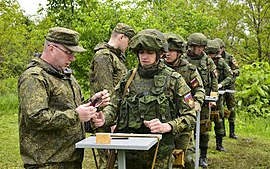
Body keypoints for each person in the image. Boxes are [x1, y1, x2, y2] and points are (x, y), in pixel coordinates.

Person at [92, 29, 196, 169]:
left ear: (159, 54)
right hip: (129, 153)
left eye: (149, 52)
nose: (144, 57)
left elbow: (190, 116)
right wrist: (104, 118)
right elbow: (114, 106)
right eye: (141, 52)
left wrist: (168, 126)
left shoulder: (173, 80)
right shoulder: (128, 78)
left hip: (159, 155)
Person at [18, 27, 110, 169]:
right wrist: (76, 115)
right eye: (68, 52)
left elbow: (71, 112)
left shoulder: (67, 76)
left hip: (71, 159)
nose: (72, 58)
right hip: (46, 163)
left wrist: (92, 107)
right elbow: (35, 118)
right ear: (51, 48)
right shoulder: (35, 77)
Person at [89, 23, 135, 168]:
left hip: (116, 117)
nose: (128, 46)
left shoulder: (116, 57)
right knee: (109, 163)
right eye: (129, 41)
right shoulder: (103, 56)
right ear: (122, 37)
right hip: (106, 120)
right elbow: (105, 92)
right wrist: (111, 121)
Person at [163, 33, 205, 169]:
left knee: (186, 159)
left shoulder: (189, 69)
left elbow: (199, 89)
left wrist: (197, 102)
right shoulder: (158, 69)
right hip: (163, 119)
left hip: (183, 118)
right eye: (165, 51)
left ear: (179, 53)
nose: (167, 54)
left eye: (171, 51)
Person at [185, 33, 218, 168]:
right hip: (187, 99)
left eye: (202, 47)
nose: (201, 50)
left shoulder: (208, 61)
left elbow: (214, 79)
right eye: (198, 47)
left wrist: (213, 97)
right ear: (191, 46)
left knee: (203, 130)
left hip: (204, 100)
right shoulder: (183, 59)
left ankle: (203, 156)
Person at [205, 39, 233, 152]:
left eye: (212, 54)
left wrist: (221, 84)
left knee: (219, 120)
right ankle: (201, 149)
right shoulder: (203, 61)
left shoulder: (221, 62)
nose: (211, 56)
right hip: (203, 95)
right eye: (209, 53)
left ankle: (219, 144)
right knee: (203, 122)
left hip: (218, 95)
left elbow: (230, 76)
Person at [214, 38, 240, 139]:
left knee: (231, 108)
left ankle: (232, 131)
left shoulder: (229, 57)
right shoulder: (213, 58)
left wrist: (231, 72)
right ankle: (222, 131)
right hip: (219, 86)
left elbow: (237, 70)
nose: (219, 50)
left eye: (220, 48)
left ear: (223, 48)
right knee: (220, 109)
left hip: (229, 86)